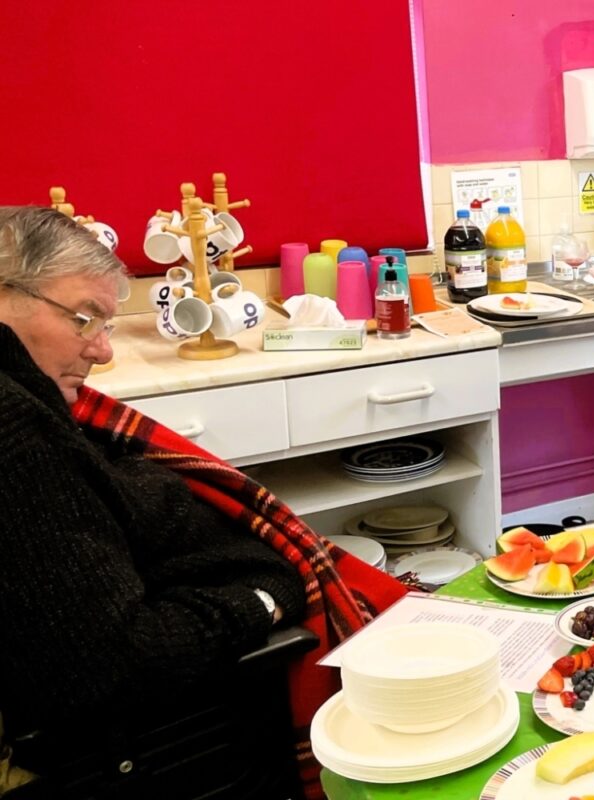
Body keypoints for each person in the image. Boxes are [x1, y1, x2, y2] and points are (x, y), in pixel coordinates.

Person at [0, 207, 405, 799]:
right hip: (182, 732)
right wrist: (263, 600)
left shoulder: (39, 406)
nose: (102, 352)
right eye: (84, 320)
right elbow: (113, 665)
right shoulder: (17, 432)